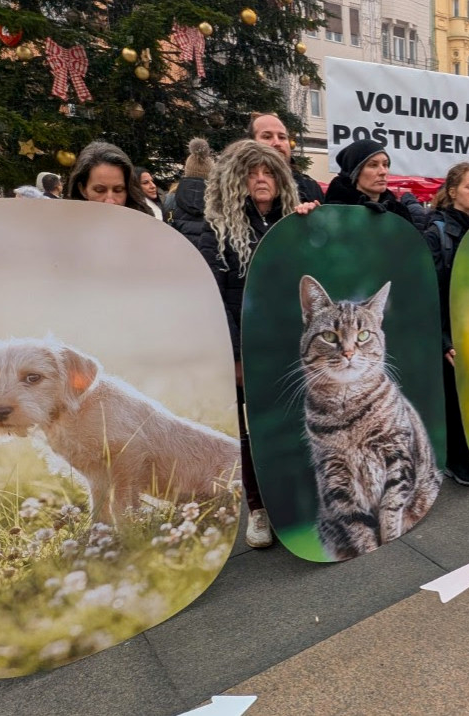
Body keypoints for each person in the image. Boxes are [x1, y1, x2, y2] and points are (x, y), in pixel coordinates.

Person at [179, 139, 302, 548]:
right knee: (250, 432)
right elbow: (214, 298)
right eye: (252, 173)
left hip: (287, 347)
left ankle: (293, 500)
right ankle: (260, 509)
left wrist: (311, 222)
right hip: (245, 351)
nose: (261, 179)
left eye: (268, 172)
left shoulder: (292, 225)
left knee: (289, 424)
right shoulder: (218, 230)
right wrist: (234, 358)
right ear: (236, 179)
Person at [423, 162, 469, 485]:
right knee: (455, 398)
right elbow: (430, 291)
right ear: (452, 192)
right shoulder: (436, 232)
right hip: (452, 331)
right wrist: (442, 340)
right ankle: (457, 460)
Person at [323, 138, 414, 224]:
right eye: (373, 165)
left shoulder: (399, 212)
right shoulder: (334, 212)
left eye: (385, 164)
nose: (383, 171)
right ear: (355, 173)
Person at [247, 112, 324, 204]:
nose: (277, 143)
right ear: (251, 143)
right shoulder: (234, 185)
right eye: (267, 137)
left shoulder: (309, 188)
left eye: (282, 137)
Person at [66, 141, 155, 215]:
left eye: (118, 190)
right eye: (100, 190)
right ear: (82, 190)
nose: (110, 201)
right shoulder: (64, 229)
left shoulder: (145, 226)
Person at [165, 137, 214, 229]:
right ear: (210, 173)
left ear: (186, 171)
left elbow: (167, 227)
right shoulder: (220, 199)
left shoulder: (171, 199)